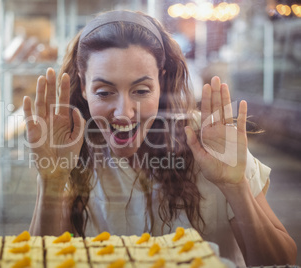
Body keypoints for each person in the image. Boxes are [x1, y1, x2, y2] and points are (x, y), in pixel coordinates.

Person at [22, 10, 296, 267]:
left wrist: (235, 186)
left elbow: (280, 259)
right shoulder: (71, 147)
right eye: (104, 92)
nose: (124, 113)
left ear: (161, 82)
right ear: (83, 86)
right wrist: (53, 182)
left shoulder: (214, 140)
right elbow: (43, 261)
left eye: (141, 91)